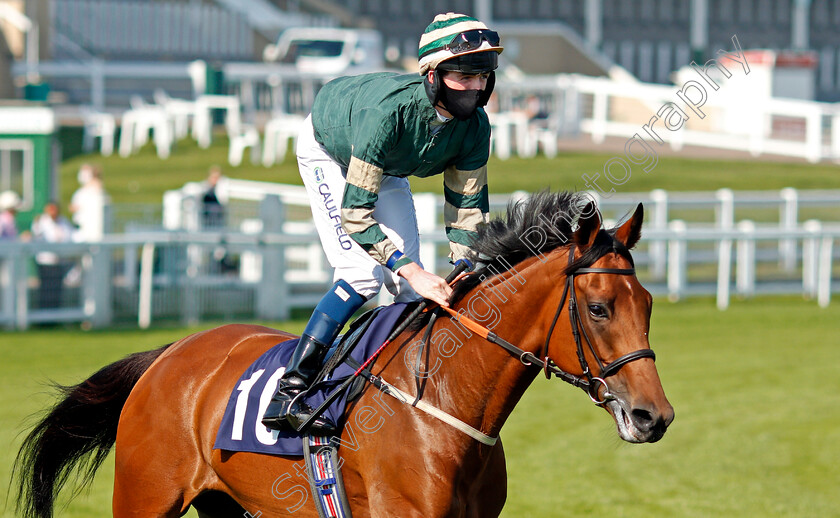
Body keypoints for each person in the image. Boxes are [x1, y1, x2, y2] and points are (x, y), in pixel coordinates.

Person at [262, 12, 503, 434]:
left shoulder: (475, 127)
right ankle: (291, 390)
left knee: (408, 288)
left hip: (386, 163)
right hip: (329, 148)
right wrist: (410, 266)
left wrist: (467, 272)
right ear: (433, 76)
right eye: (464, 76)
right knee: (362, 274)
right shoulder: (386, 113)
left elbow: (467, 214)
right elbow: (356, 214)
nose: (476, 87)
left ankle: (389, 390)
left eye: (483, 76)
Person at [31, 201, 75, 309]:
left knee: (57, 289)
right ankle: (44, 316)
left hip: (60, 261)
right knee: (46, 289)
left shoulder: (63, 221)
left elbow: (70, 236)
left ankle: (55, 314)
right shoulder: (41, 222)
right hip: (46, 261)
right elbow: (39, 239)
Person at [69, 163, 109, 242]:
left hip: (88, 233)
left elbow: (73, 208)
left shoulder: (86, 193)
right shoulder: (85, 192)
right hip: (89, 232)